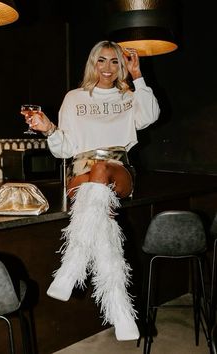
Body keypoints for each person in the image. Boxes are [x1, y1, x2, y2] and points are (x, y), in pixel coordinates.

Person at [28, 40, 160, 341]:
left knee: (101, 169)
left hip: (118, 169)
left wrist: (138, 77)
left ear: (122, 65)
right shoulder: (74, 98)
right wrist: (48, 128)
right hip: (80, 172)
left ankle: (72, 266)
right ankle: (121, 309)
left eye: (115, 62)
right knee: (103, 216)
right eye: (101, 61)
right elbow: (66, 149)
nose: (108, 68)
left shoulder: (128, 96)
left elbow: (150, 116)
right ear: (92, 63)